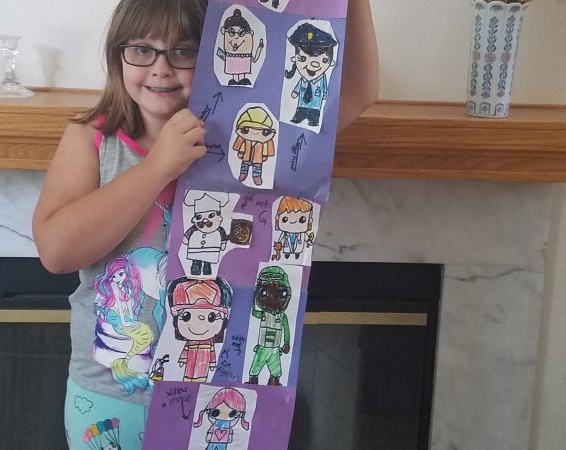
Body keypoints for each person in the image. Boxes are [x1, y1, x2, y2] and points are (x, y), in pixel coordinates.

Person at [32, 0, 379, 448]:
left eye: (183, 52)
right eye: (140, 49)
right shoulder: (92, 137)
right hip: (110, 400)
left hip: (219, 403)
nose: (159, 68)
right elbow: (57, 252)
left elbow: (357, 90)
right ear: (118, 56)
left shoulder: (254, 136)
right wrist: (158, 167)